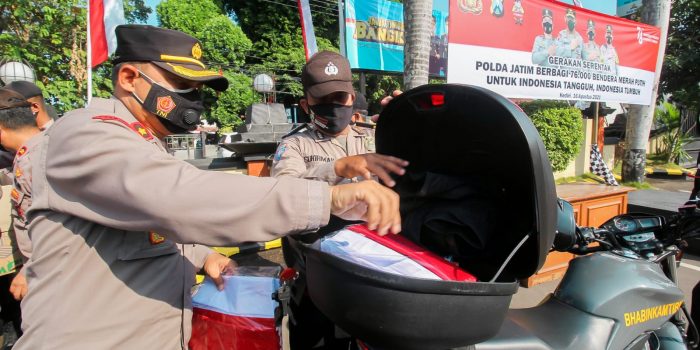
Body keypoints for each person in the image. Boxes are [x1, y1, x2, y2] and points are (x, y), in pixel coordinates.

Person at [15, 25, 401, 350]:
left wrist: (200, 255)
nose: (193, 101)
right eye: (182, 85)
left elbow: (140, 224)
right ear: (129, 78)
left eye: (198, 90)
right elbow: (176, 198)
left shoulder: (142, 141)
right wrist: (330, 195)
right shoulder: (85, 134)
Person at [271, 51, 407, 187]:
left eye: (339, 96)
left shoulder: (378, 138)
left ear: (352, 98)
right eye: (322, 98)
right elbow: (283, 191)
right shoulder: (295, 145)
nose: (333, 105)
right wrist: (338, 168)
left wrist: (412, 123)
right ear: (305, 106)